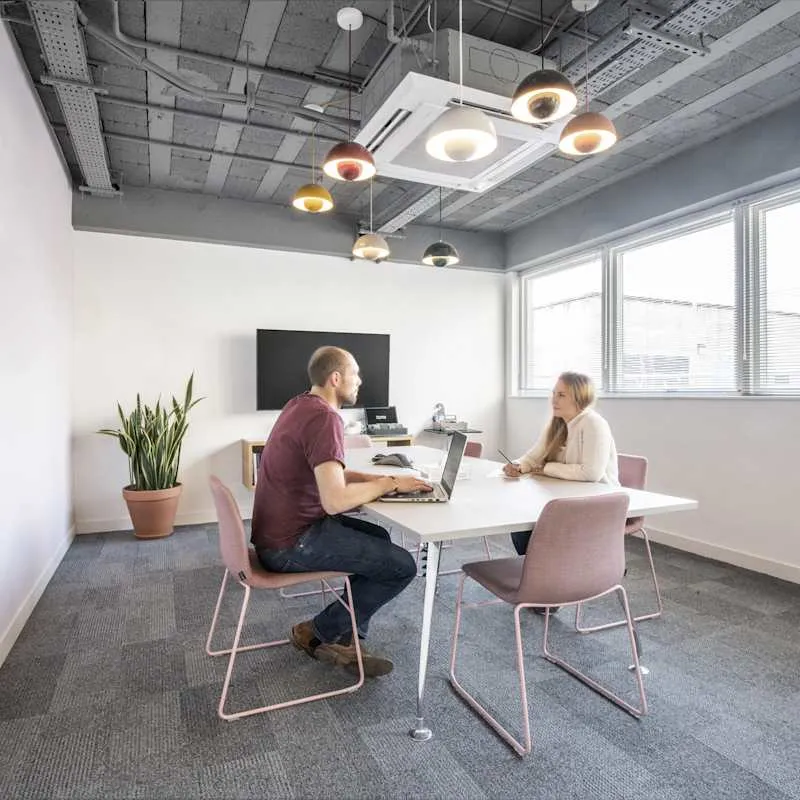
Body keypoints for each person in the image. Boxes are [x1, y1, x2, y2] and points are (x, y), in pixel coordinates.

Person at [251, 346, 431, 678]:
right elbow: (334, 501)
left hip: (276, 534)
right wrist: (389, 482)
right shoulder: (326, 418)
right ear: (336, 378)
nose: (360, 380)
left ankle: (350, 638)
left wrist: (378, 481)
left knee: (379, 537)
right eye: (355, 374)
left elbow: (330, 473)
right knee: (402, 566)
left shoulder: (300, 405)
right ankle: (315, 632)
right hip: (290, 544)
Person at [503, 371, 619, 559]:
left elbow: (591, 473)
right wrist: (518, 465)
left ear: (579, 398)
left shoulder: (594, 423)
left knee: (532, 526)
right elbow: (533, 457)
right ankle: (546, 569)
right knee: (521, 522)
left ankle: (566, 567)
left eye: (561, 395)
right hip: (567, 496)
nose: (554, 400)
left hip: (597, 502)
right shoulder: (556, 424)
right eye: (554, 394)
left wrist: (546, 468)